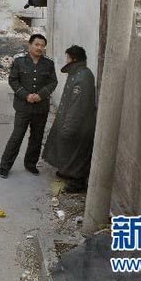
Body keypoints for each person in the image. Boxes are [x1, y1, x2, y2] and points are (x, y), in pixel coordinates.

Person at [0, 34, 58, 178]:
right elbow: (13, 80)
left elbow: (53, 82)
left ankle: (30, 164)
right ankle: (5, 166)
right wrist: (26, 95)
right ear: (29, 45)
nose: (39, 48)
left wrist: (40, 95)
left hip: (41, 107)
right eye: (36, 44)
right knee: (17, 136)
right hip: (23, 107)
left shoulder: (48, 64)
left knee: (36, 138)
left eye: (42, 45)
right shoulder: (19, 62)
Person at [42, 45, 97, 193]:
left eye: (67, 58)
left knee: (77, 153)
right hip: (70, 120)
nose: (66, 60)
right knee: (68, 150)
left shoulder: (82, 77)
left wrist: (69, 126)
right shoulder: (77, 73)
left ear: (74, 59)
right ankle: (67, 172)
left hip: (79, 124)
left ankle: (78, 181)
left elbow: (77, 106)